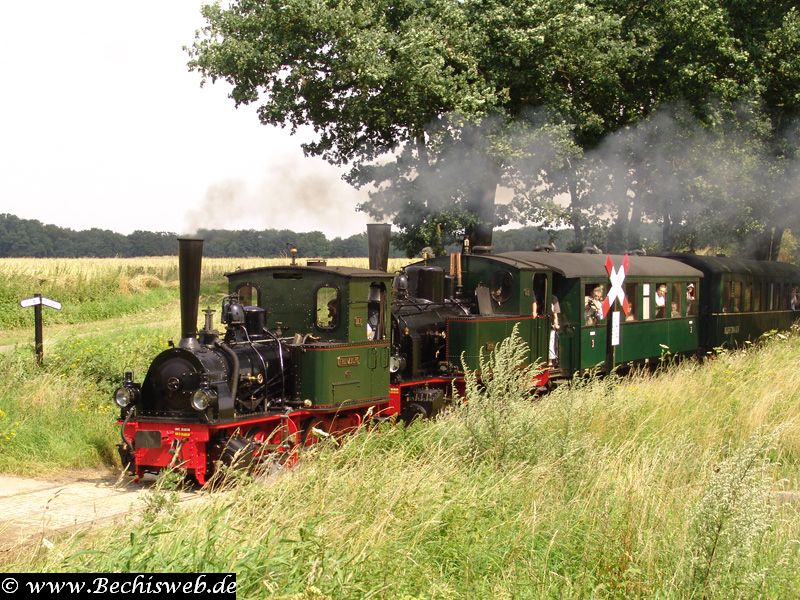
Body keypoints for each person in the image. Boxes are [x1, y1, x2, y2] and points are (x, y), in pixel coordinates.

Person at [549, 295, 561, 367]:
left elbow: (555, 314)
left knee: (551, 342)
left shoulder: (553, 299)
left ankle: (551, 361)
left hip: (551, 325)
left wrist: (555, 324)